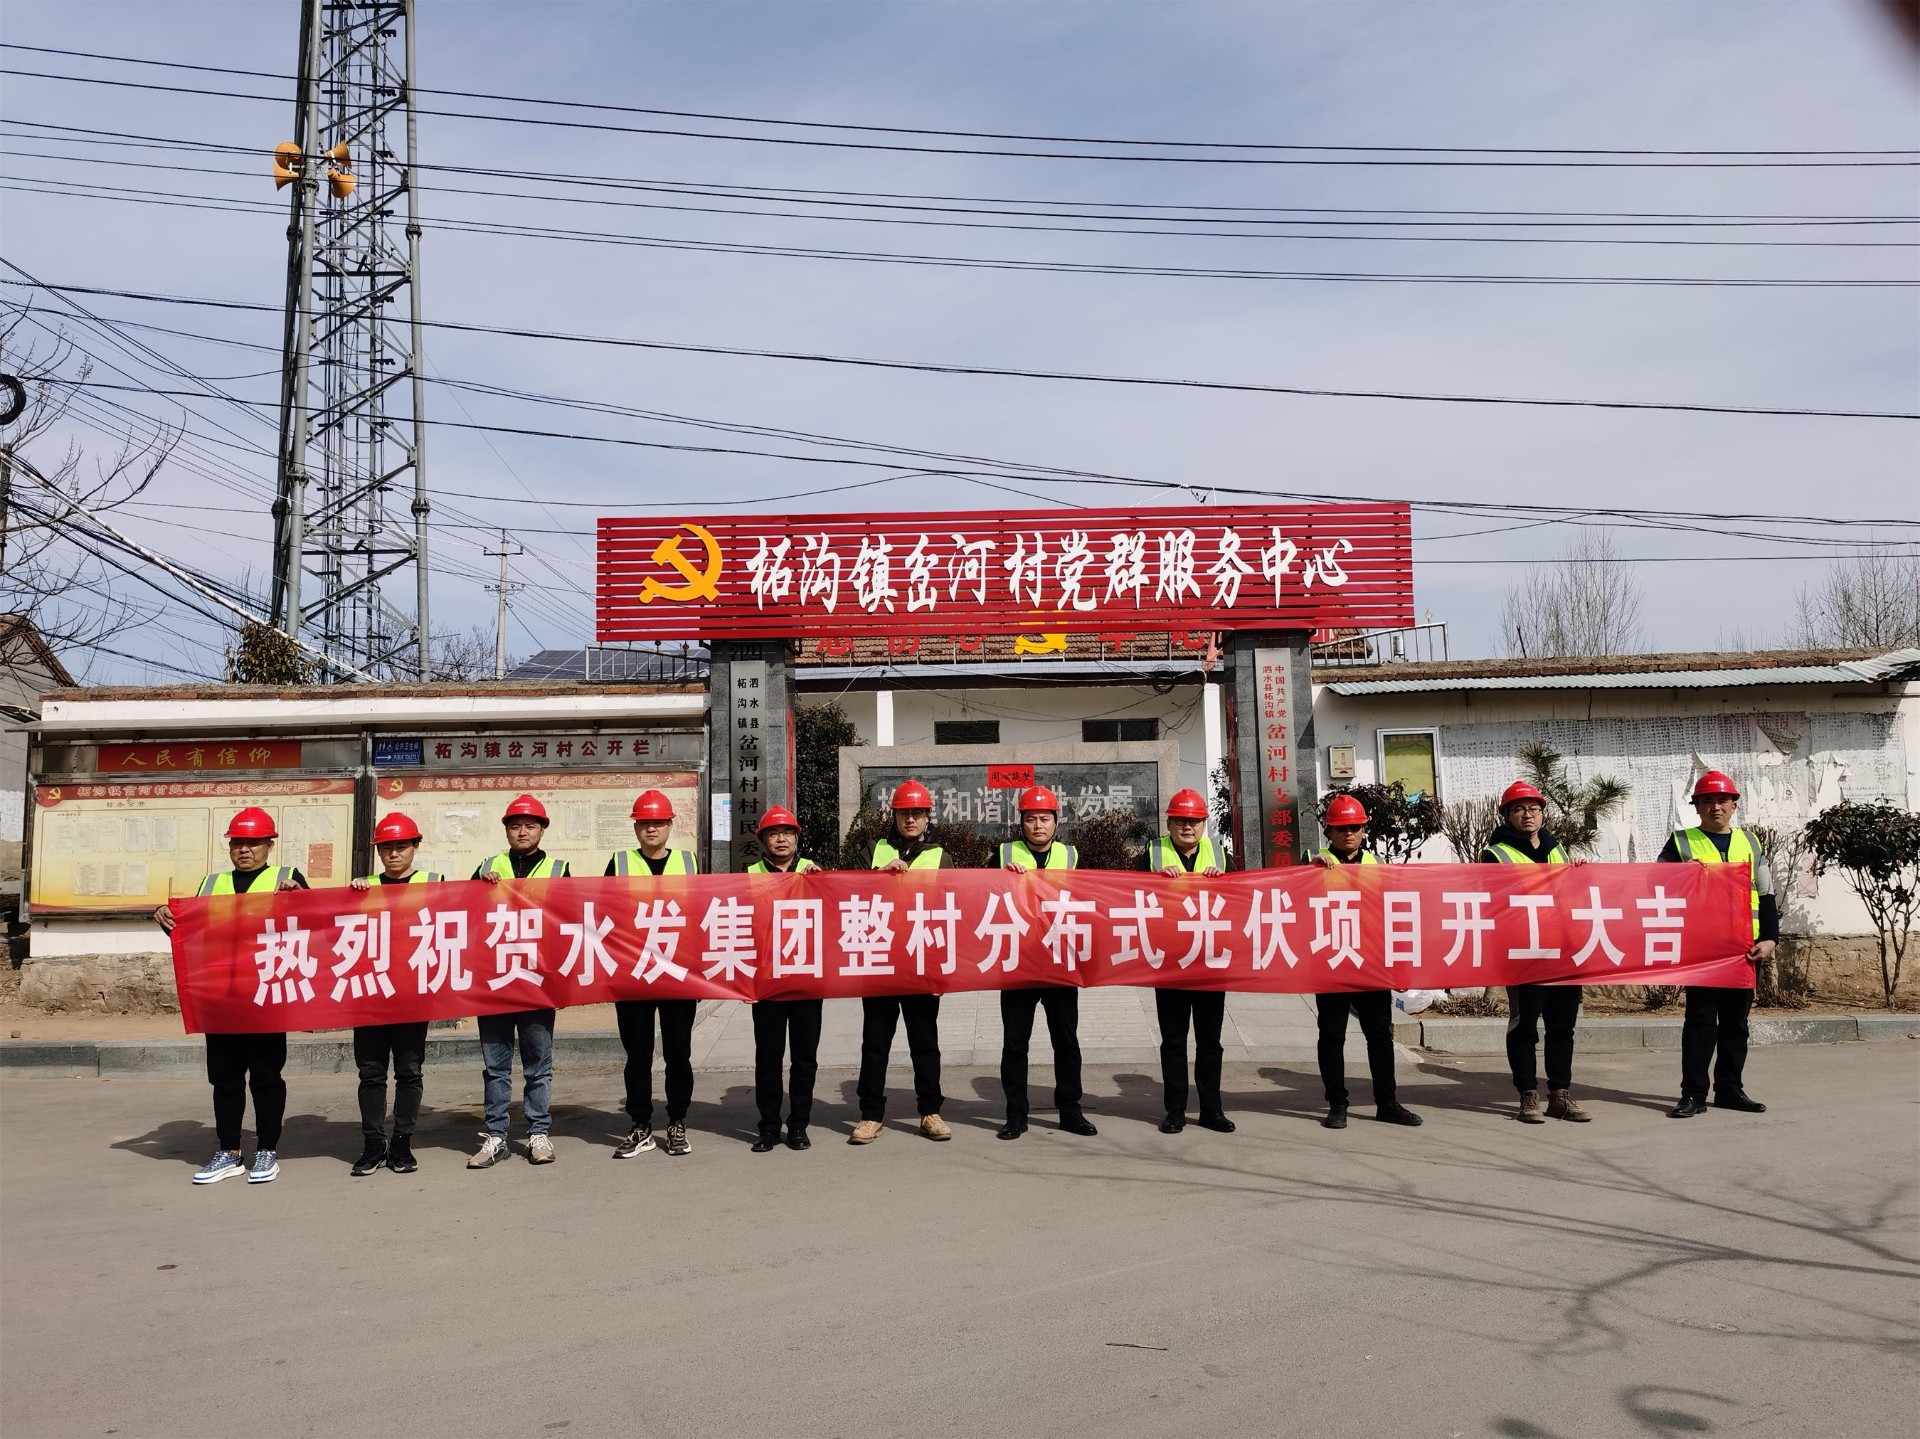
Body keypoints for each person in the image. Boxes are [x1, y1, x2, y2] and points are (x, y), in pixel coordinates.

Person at [154, 807, 305, 1186]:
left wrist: (300, 898)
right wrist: (164, 914)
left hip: (266, 995)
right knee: (224, 1078)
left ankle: (267, 1149)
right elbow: (189, 931)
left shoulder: (287, 879)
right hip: (221, 997)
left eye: (253, 843)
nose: (245, 850)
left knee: (266, 1076)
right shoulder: (211, 884)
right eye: (238, 843)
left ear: (269, 845)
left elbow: (314, 923)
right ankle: (229, 1151)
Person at [1660, 770, 1776, 1119]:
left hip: (1745, 949)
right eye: (1707, 800)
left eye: (1722, 800)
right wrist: (1683, 875)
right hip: (1703, 949)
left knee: (1736, 1023)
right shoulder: (1681, 842)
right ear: (1696, 806)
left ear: (1734, 806)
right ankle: (1693, 1094)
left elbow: (1766, 893)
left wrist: (1770, 938)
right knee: (1700, 1022)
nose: (1715, 807)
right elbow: (1656, 886)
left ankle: (1729, 1089)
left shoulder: (1750, 842)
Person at [1309, 794, 1422, 1130]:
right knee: (1332, 1036)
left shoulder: (1378, 864)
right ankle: (1337, 1103)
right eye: (1341, 828)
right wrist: (1311, 869)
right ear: (1329, 831)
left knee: (1380, 1036)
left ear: (1363, 830)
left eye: (1355, 827)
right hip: (1332, 961)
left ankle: (1387, 1102)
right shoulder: (1313, 863)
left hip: (1370, 963)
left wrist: (1398, 965)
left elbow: (1395, 914)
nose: (1349, 833)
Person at [468, 793, 569, 1169]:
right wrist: (479, 887)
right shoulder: (487, 867)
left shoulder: (559, 870)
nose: (522, 831)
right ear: (506, 830)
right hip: (494, 981)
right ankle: (496, 1137)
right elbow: (463, 915)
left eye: (530, 825)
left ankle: (538, 1133)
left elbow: (569, 923)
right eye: (515, 825)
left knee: (537, 1065)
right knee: (495, 1066)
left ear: (542, 829)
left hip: (537, 982)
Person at [847, 779, 950, 1145]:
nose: (911, 819)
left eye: (917, 813)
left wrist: (942, 966)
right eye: (904, 813)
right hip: (880, 959)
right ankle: (870, 1115)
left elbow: (952, 909)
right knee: (875, 1043)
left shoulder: (941, 857)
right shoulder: (873, 850)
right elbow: (850, 894)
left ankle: (930, 1112)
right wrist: (880, 876)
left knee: (925, 1042)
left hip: (921, 960)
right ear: (893, 816)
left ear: (927, 817)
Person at [1482, 780, 1590, 1125]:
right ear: (1507, 815)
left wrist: (1579, 873)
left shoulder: (1557, 850)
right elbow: (1491, 903)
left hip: (1562, 951)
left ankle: (1560, 1094)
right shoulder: (1494, 855)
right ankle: (1528, 1093)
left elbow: (1571, 895)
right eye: (1518, 809)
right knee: (1524, 1026)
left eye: (1533, 808)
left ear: (1543, 813)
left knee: (1562, 1027)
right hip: (1523, 954)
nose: (1527, 815)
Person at [343, 811, 443, 1176]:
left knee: (409, 1072)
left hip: (413, 994)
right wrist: (349, 897)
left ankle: (402, 1141)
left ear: (416, 846)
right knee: (371, 1073)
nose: (394, 853)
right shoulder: (362, 887)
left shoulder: (434, 883)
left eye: (401, 846)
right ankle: (373, 1143)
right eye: (386, 847)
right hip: (370, 994)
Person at [995, 785, 1096, 1141]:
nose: (1038, 825)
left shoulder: (1071, 856)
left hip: (1059, 960)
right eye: (1031, 819)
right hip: (1019, 963)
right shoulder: (1003, 855)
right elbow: (983, 899)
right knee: (1015, 1044)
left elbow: (1088, 900)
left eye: (1044, 818)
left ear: (1057, 821)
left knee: (1066, 1042)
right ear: (1020, 822)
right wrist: (1003, 879)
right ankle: (1015, 1115)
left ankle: (1070, 1111)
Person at [606, 789, 700, 1160]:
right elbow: (602, 914)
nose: (651, 829)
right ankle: (640, 1125)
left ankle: (677, 1122)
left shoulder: (689, 863)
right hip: (634, 975)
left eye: (658, 822)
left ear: (670, 826)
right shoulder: (619, 863)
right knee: (638, 1055)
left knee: (678, 1053)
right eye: (644, 823)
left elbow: (703, 914)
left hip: (678, 974)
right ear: (635, 827)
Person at [1142, 787, 1235, 1135]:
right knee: (1174, 1042)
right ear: (1168, 823)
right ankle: (1176, 1111)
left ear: (1204, 824)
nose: (1187, 827)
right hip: (1170, 963)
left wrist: (1224, 882)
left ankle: (1212, 1109)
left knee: (1210, 1042)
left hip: (1210, 961)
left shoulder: (1220, 855)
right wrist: (1154, 882)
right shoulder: (1152, 855)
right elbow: (1128, 896)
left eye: (1194, 821)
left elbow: (1244, 898)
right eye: (1180, 820)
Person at [746, 805, 822, 1152]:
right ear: (763, 840)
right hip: (767, 981)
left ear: (796, 838)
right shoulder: (749, 876)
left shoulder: (813, 872)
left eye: (787, 833)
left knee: (805, 1058)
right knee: (768, 1057)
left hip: (806, 980)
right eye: (774, 833)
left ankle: (799, 1125)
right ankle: (768, 1127)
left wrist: (822, 884)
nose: (781, 839)